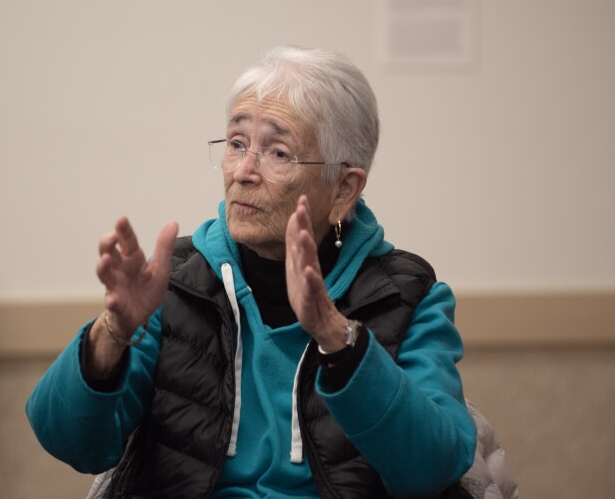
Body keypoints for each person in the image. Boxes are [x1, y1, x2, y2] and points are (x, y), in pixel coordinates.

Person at [26, 46, 478, 498]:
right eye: (237, 144)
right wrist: (112, 333)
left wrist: (337, 338)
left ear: (344, 189)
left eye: (278, 153)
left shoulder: (408, 297)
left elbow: (433, 468)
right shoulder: (176, 282)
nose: (243, 172)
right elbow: (72, 443)